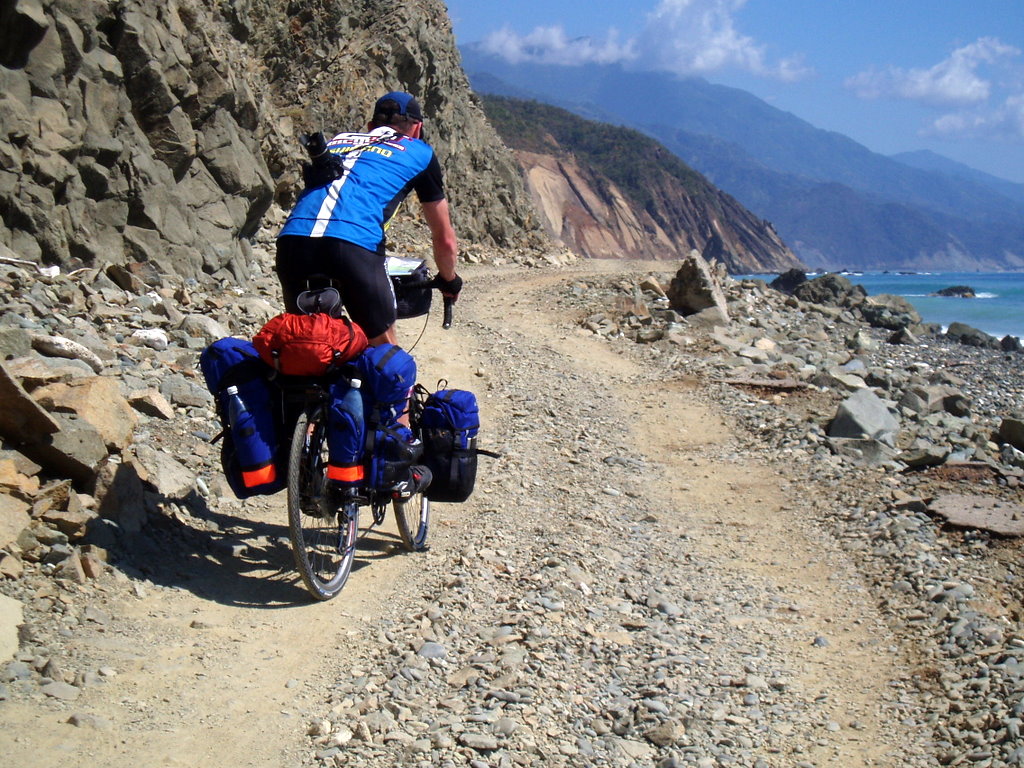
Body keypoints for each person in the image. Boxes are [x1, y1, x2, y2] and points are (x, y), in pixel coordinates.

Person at [275, 91, 462, 346]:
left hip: (292, 242)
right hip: (354, 245)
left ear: (370, 126)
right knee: (383, 355)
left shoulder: (338, 140)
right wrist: (449, 279)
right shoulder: (420, 152)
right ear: (417, 128)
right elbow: (445, 239)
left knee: (304, 344)